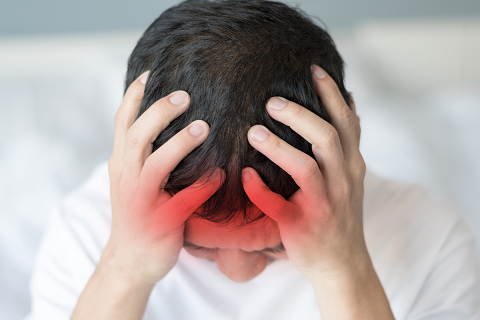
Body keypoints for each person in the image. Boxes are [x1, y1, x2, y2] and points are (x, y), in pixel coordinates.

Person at [26, 1, 479, 319]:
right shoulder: (87, 234)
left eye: (271, 246)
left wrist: (342, 268)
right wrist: (125, 268)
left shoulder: (432, 241)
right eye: (200, 246)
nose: (237, 274)